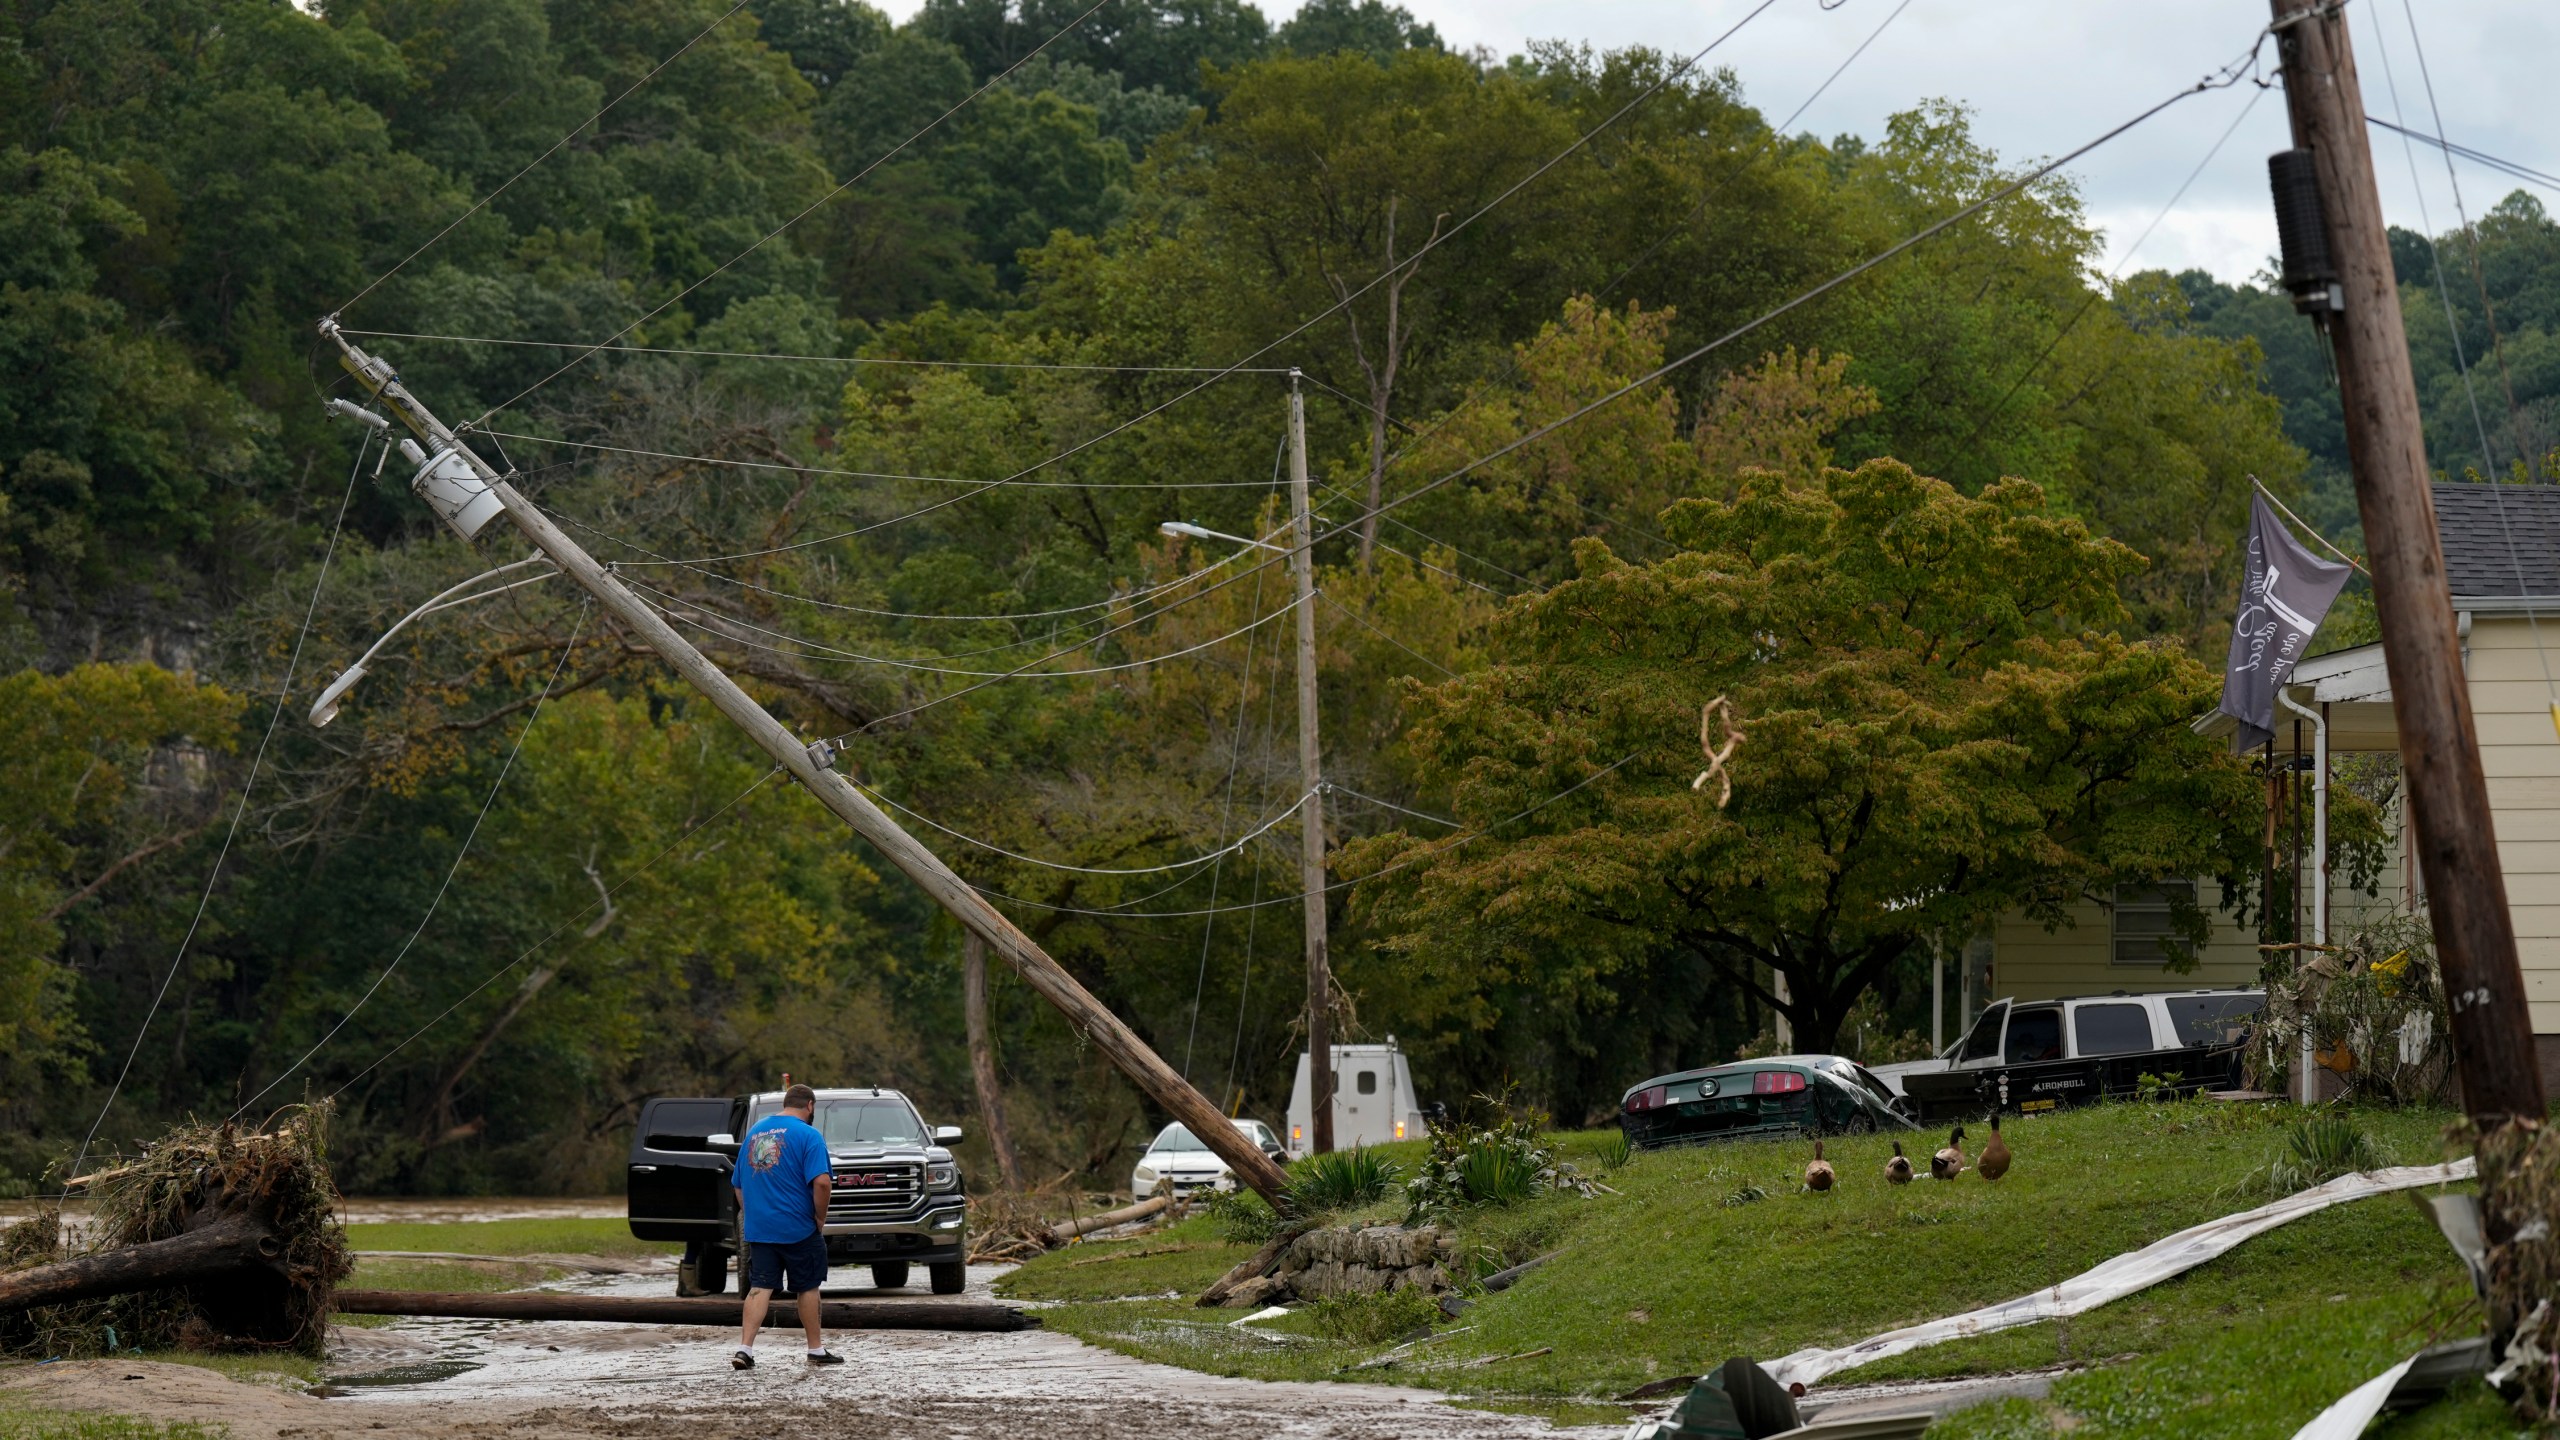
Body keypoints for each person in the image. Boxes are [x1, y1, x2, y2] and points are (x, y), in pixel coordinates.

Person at [731, 1082, 842, 1369]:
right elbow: (822, 1182)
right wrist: (820, 1218)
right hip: (799, 1228)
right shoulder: (809, 1135)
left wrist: (754, 1214)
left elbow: (739, 1186)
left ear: (785, 1103)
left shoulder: (754, 1134)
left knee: (759, 1287)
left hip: (761, 1229)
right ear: (810, 1106)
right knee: (807, 1286)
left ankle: (745, 1349)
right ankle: (815, 1350)